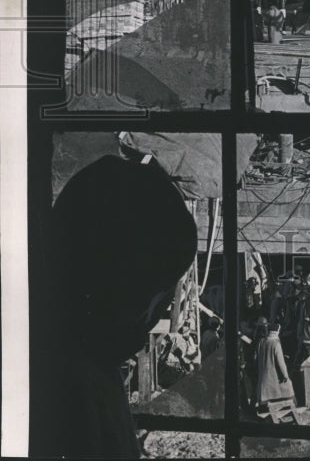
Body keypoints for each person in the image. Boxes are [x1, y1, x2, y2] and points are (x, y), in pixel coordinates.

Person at [35, 155, 198, 459]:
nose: (155, 315)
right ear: (139, 304)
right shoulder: (87, 394)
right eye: (161, 296)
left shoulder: (55, 364)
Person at [254, 323, 294, 413]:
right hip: (273, 382)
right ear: (277, 332)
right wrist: (286, 377)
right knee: (289, 387)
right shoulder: (276, 344)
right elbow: (281, 364)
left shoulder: (261, 342)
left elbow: (256, 359)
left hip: (262, 383)